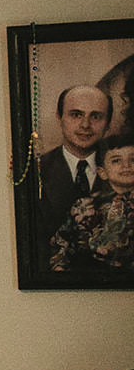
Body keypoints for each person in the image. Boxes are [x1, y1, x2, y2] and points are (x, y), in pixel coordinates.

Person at [34, 84, 112, 265]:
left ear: (108, 124)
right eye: (76, 115)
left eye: (96, 116)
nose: (85, 125)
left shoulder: (124, 171)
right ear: (59, 117)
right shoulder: (35, 171)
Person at [49, 132, 134, 272]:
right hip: (93, 280)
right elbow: (62, 244)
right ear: (102, 172)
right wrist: (59, 268)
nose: (126, 166)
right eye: (116, 161)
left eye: (133, 160)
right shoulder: (85, 206)